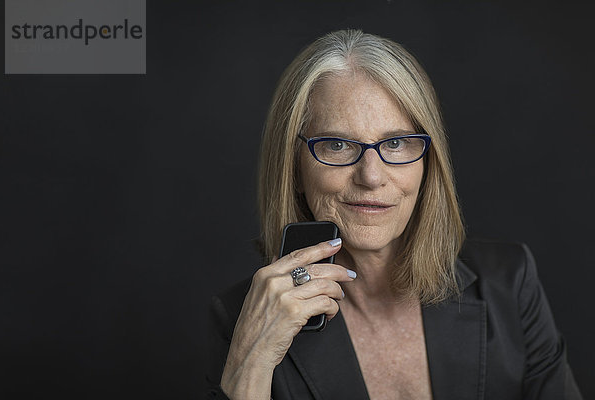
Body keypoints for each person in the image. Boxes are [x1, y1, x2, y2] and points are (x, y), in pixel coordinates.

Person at [205, 30, 582, 400]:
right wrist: (250, 367)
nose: (371, 177)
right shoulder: (243, 318)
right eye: (337, 144)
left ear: (427, 164)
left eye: (397, 143)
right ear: (295, 169)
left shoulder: (510, 282)